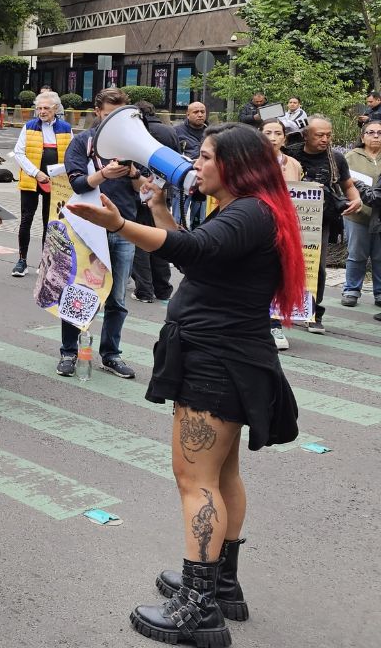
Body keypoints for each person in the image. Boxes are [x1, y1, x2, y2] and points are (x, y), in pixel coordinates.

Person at [67, 123, 304, 648]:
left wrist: (121, 222)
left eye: (206, 157)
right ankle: (220, 583)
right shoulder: (251, 209)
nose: (196, 164)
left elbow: (191, 250)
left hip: (216, 362)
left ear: (236, 165)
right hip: (229, 356)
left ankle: (198, 607)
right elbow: (195, 251)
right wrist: (156, 209)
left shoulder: (248, 213)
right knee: (221, 475)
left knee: (194, 480)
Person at [55, 88, 139, 380]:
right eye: (109, 112)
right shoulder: (81, 142)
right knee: (80, 292)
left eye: (120, 112)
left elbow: (148, 189)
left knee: (117, 298)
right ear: (97, 111)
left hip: (124, 227)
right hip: (88, 230)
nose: (114, 118)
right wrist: (104, 174)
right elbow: (78, 184)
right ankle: (68, 352)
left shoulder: (132, 145)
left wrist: (134, 175)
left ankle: (111, 354)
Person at [287, 116, 363, 333]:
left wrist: (356, 199)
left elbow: (348, 186)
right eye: (319, 135)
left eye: (328, 135)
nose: (325, 139)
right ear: (305, 135)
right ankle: (279, 311)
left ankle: (312, 312)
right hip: (287, 220)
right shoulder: (290, 154)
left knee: (315, 268)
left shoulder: (336, 159)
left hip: (318, 222)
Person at [10, 91, 71, 277]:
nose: (42, 111)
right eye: (39, 108)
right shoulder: (29, 126)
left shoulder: (66, 128)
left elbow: (71, 155)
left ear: (55, 109)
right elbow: (19, 153)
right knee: (26, 220)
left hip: (55, 182)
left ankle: (45, 262)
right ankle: (22, 260)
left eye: (46, 108)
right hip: (31, 180)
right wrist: (36, 173)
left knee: (49, 223)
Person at [260, 118, 304, 351]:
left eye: (278, 133)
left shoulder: (294, 164)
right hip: (257, 224)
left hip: (284, 227)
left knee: (277, 274)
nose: (273, 137)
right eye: (268, 132)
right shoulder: (250, 163)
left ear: (285, 138)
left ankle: (274, 323)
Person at [131, 101, 175, 303]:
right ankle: (163, 288)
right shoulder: (170, 131)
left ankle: (144, 290)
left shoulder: (138, 132)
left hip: (143, 191)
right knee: (161, 239)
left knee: (141, 242)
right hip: (164, 193)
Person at [342, 120, 381, 308]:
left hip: (380, 217)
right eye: (371, 132)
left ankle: (380, 292)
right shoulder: (350, 157)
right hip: (358, 214)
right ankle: (351, 290)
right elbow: (341, 183)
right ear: (362, 136)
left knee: (379, 256)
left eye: (379, 133)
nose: (375, 136)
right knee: (356, 255)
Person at [173, 101, 210, 230]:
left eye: (202, 112)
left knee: (200, 220)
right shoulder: (176, 132)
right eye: (196, 112)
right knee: (177, 219)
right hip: (183, 179)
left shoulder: (211, 133)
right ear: (187, 114)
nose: (200, 115)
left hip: (204, 180)